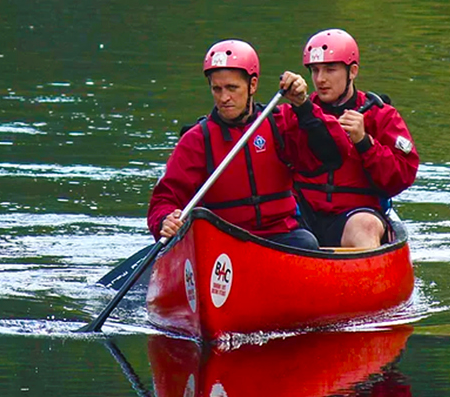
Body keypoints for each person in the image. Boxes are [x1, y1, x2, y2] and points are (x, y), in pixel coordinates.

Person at [147, 39, 346, 250]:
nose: (224, 98)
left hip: (279, 234)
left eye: (232, 88)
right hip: (222, 238)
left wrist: (303, 105)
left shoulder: (281, 122)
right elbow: (164, 199)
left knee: (307, 243)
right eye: (217, 89)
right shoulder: (196, 140)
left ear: (252, 85)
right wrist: (165, 220)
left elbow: (333, 153)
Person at [284, 29, 419, 249]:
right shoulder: (294, 113)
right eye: (315, 70)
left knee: (364, 226)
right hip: (303, 215)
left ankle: (366, 275)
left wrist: (365, 142)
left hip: (354, 216)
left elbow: (401, 177)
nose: (321, 79)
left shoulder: (382, 116)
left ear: (352, 71)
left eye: (330, 69)